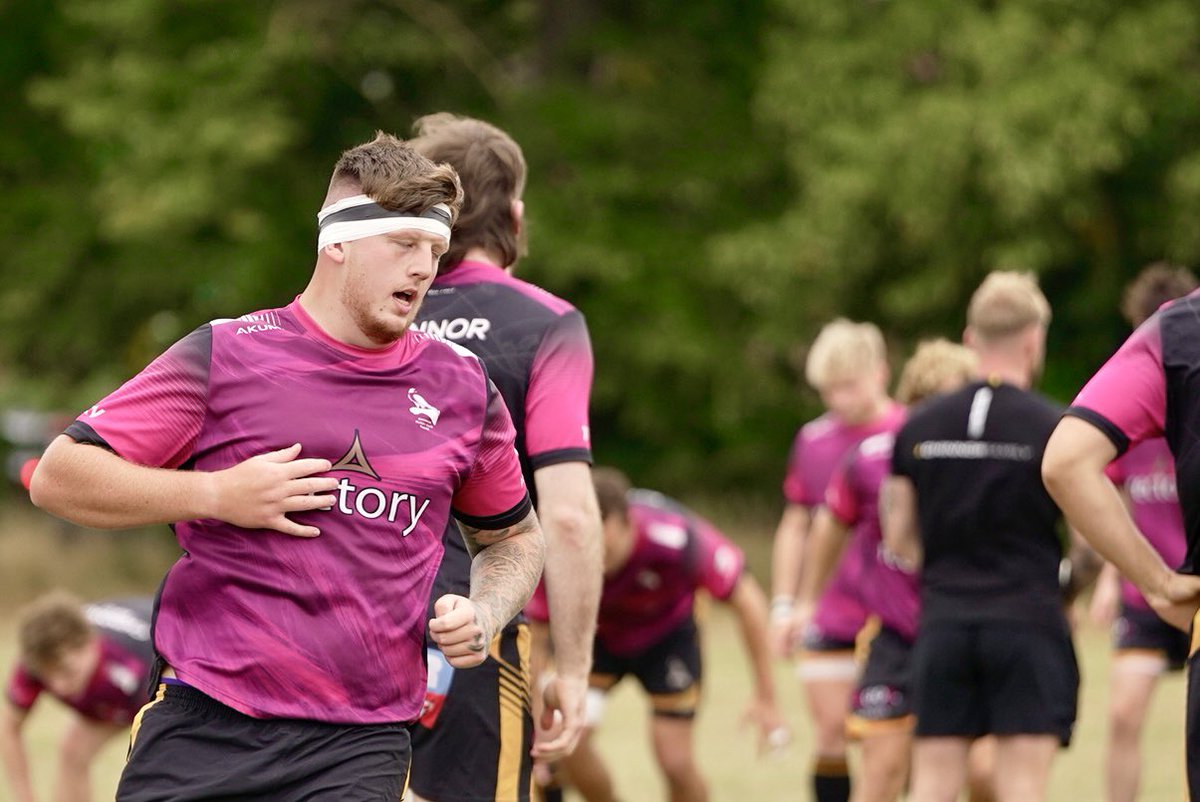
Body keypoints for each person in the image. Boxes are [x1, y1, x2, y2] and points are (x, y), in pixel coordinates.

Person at [28, 132, 545, 800]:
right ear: (336, 242)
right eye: (403, 245)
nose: (424, 270)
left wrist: (485, 609)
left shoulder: (463, 389)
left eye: (435, 251)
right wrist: (216, 493)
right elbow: (58, 476)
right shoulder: (228, 354)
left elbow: (514, 537)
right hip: (205, 717)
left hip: (362, 741)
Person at [404, 113, 603, 802]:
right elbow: (570, 516)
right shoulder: (547, 325)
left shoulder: (371, 308)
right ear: (515, 216)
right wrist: (573, 669)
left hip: (345, 618)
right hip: (472, 624)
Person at [882, 271, 1078, 802]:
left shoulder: (917, 428)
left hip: (944, 624)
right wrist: (1069, 583)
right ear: (1034, 339)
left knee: (932, 787)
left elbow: (898, 537)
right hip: (1028, 622)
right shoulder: (1056, 428)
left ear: (971, 339)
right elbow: (1087, 539)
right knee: (1021, 789)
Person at [528, 467, 785, 802]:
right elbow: (536, 638)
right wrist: (534, 722)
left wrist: (766, 696)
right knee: (566, 741)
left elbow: (747, 599)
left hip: (667, 638)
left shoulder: (673, 538)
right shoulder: (560, 552)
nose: (587, 549)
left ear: (624, 522)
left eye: (597, 537)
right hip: (594, 640)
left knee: (675, 761)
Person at [795, 339, 978, 802]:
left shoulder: (991, 461)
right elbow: (826, 525)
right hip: (895, 635)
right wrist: (806, 599)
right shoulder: (874, 457)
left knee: (979, 775)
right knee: (880, 770)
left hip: (967, 631)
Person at [1044, 265, 1200, 799]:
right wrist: (1118, 579)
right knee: (1125, 711)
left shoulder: (1174, 354)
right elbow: (1102, 498)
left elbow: (1065, 464)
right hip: (1160, 591)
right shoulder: (1126, 418)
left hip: (1188, 585)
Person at [770, 318, 904, 802]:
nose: (839, 401)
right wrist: (785, 603)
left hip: (895, 611)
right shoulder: (813, 439)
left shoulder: (910, 432)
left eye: (848, 386)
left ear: (881, 373)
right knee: (831, 733)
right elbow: (797, 522)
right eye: (829, 390)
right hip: (829, 607)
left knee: (888, 742)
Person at [1, 593, 154, 802]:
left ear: (91, 644)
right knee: (73, 751)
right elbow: (8, 727)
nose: (59, 687)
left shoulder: (136, 662)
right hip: (119, 698)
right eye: (47, 677)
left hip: (169, 686)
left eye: (66, 671)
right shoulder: (35, 661)